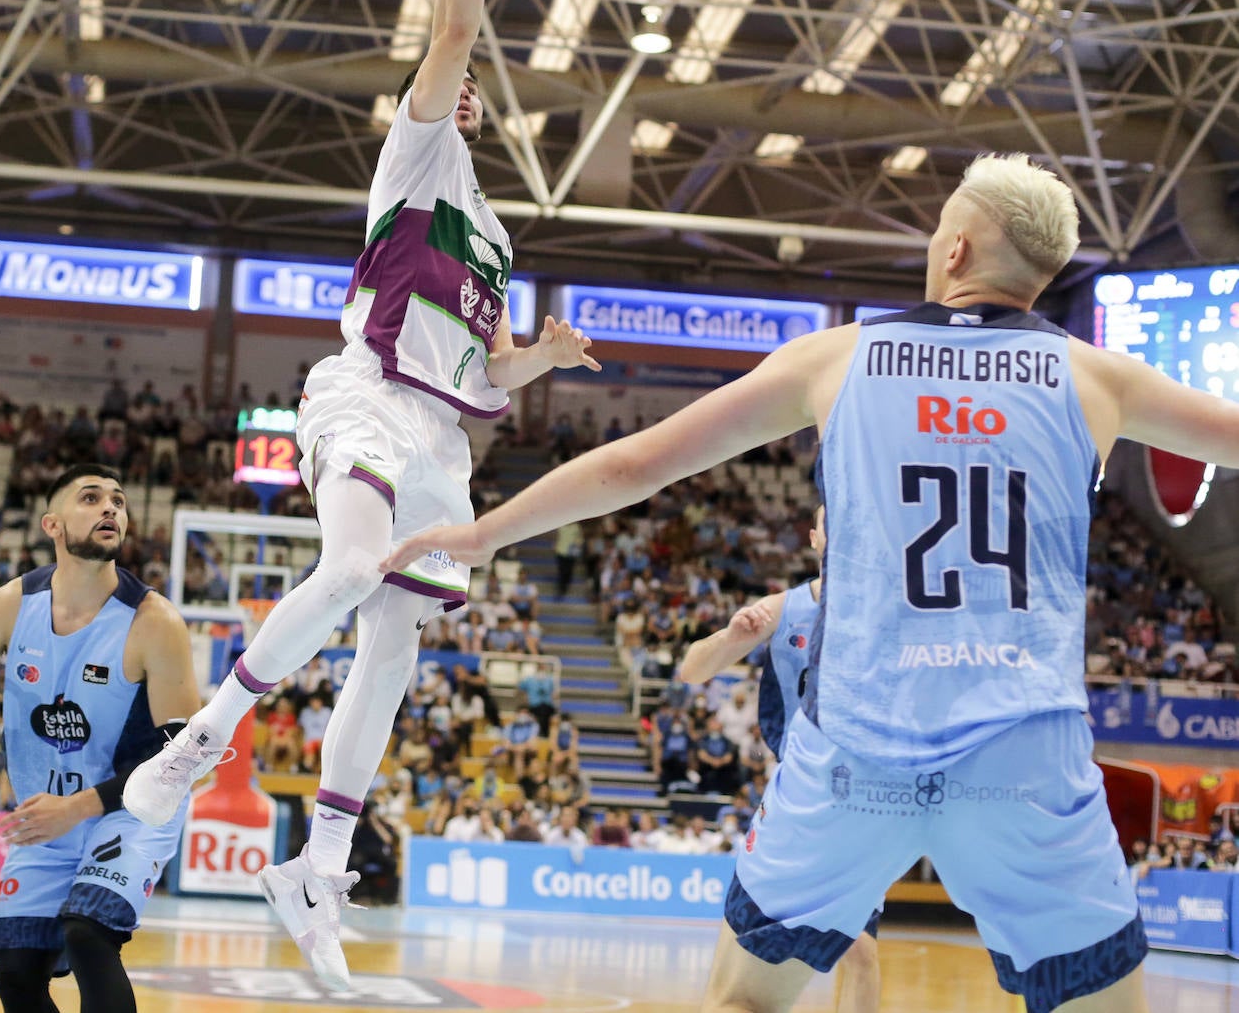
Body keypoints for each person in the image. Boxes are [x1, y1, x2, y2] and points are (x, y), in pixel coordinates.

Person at [383, 151, 1239, 1013]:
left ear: (957, 251)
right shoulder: (1100, 380)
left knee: (743, 1000)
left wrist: (485, 532)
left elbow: (635, 465)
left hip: (860, 749)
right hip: (1025, 757)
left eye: (939, 224)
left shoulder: (838, 359)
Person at [122, 0, 600, 994]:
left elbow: (486, 373)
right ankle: (198, 743)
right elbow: (453, 27)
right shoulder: (416, 157)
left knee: (391, 649)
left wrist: (539, 361)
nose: (463, 85)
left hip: (446, 439)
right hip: (364, 397)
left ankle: (318, 868)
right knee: (347, 566)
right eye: (453, 81)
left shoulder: (494, 242)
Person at [0, 465, 199, 1013]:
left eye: (119, 501)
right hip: (45, 816)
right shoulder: (9, 605)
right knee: (17, 975)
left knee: (87, 933)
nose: (111, 509)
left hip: (130, 810)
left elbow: (182, 760)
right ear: (52, 524)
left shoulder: (154, 621)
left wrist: (78, 808)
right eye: (92, 498)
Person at [678, 507, 879, 1013]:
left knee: (862, 952)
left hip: (866, 801)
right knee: (842, 953)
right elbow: (692, 671)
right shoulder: (782, 609)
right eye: (834, 523)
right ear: (815, 538)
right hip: (800, 798)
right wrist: (732, 638)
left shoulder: (888, 608)